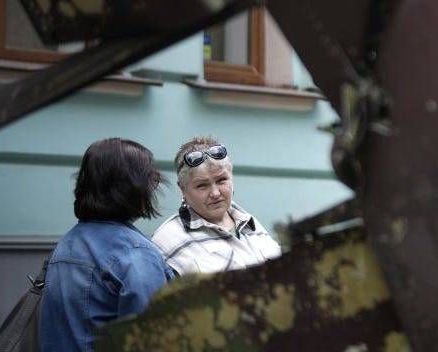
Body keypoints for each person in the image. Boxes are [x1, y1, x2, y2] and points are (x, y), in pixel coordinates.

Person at [41, 138, 174, 352]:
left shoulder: (67, 244)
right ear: (130, 188)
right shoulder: (135, 254)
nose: (152, 190)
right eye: (151, 181)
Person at [152, 136, 282, 275]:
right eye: (202, 185)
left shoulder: (250, 223)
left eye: (221, 180)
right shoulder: (168, 239)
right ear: (182, 189)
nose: (215, 193)